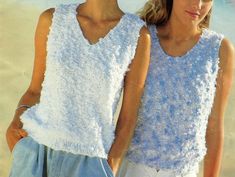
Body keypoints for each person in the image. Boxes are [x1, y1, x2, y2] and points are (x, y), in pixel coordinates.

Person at [6, 0, 151, 176]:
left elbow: (128, 119)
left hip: (90, 161)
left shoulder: (136, 34)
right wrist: (15, 123)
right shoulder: (52, 19)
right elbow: (34, 91)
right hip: (36, 154)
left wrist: (110, 167)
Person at [122, 0, 234, 177]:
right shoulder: (142, 37)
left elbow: (214, 127)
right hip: (132, 168)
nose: (198, 4)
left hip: (183, 172)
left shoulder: (220, 49)